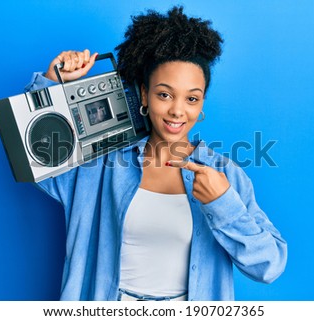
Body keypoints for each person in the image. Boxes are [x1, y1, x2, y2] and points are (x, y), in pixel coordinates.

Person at [24, 6, 287, 301]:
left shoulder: (224, 175)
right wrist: (50, 85)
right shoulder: (100, 164)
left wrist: (223, 204)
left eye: (191, 98)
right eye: (164, 94)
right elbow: (38, 162)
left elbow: (269, 265)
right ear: (144, 94)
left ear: (201, 105)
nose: (177, 110)